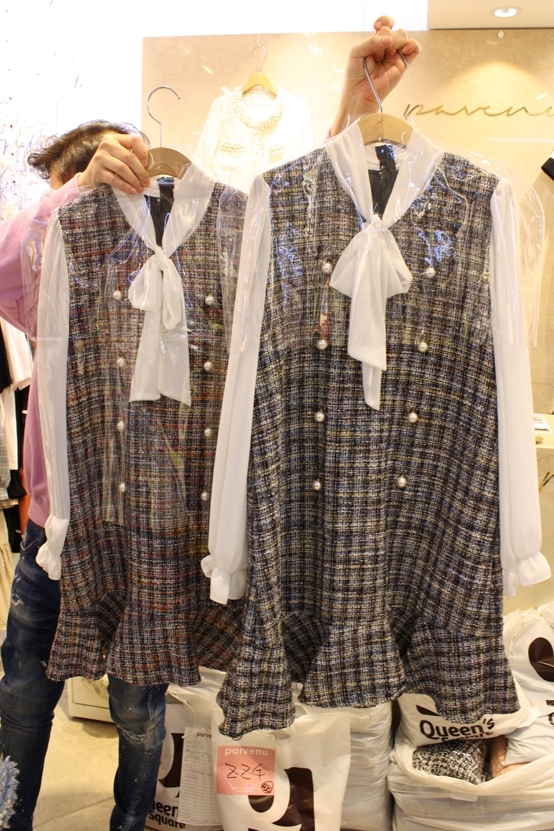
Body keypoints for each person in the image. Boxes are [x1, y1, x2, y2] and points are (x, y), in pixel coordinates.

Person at [0, 17, 419, 830]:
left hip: (159, 531)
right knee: (22, 693)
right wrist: (75, 193)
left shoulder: (209, 244)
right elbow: (8, 266)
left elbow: (291, 233)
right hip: (62, 528)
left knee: (140, 710)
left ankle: (130, 822)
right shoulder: (68, 241)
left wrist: (353, 108)